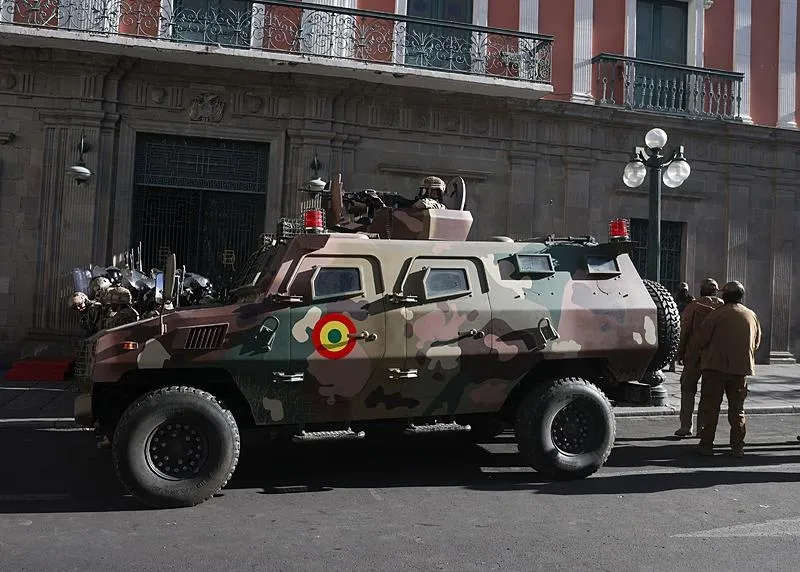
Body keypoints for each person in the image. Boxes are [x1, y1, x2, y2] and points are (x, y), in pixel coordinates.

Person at [694, 281, 761, 457]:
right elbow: (756, 343)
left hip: (715, 367)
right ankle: (737, 447)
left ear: (725, 295)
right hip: (740, 369)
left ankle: (707, 445)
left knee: (711, 408)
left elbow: (702, 340)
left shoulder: (716, 315)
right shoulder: (751, 315)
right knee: (737, 410)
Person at [673, 278, 722, 437]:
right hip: (713, 357)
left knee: (688, 390)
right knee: (708, 393)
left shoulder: (693, 307)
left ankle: (686, 426)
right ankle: (702, 427)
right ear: (715, 291)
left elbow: (685, 330)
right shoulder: (723, 308)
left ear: (701, 290)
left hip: (693, 355)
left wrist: (680, 352)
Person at [667, 283, 695, 372]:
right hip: (676, 323)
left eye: (685, 290)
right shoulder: (674, 298)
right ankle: (672, 364)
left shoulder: (690, 299)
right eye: (682, 290)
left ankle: (683, 363)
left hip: (686, 323)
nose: (684, 292)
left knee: (687, 346)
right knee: (675, 345)